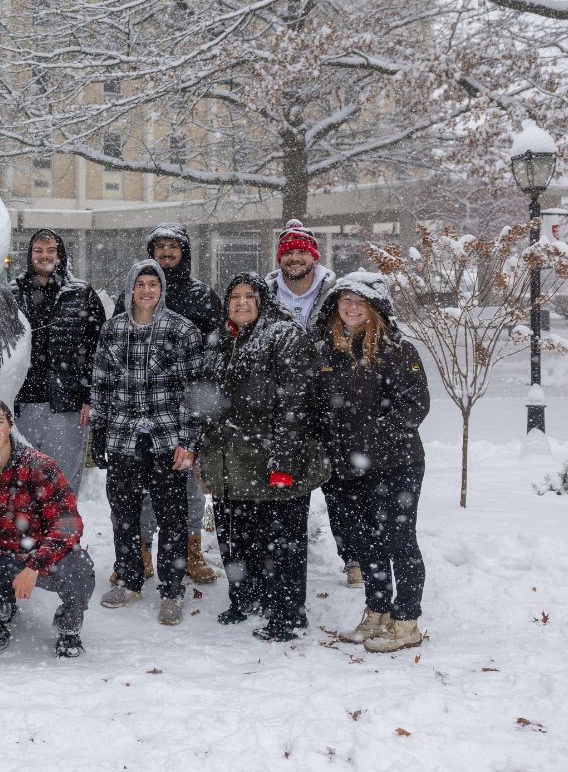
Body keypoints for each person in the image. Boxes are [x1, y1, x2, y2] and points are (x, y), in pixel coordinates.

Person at [195, 273, 330, 642]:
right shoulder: (220, 339)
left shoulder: (284, 336)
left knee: (281, 543)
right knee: (237, 536)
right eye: (234, 296)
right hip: (230, 463)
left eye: (248, 296)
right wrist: (204, 458)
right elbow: (205, 403)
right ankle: (246, 598)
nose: (241, 303)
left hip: (273, 462)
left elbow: (296, 405)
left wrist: (283, 464)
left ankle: (287, 613)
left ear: (263, 300)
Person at [312, 273, 430, 652]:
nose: (351, 307)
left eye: (360, 302)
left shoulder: (397, 349)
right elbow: (318, 407)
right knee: (367, 544)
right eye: (345, 300)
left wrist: (369, 442)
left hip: (396, 465)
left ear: (375, 308)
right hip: (348, 469)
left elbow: (414, 407)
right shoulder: (328, 350)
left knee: (398, 540)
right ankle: (378, 612)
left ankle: (407, 620)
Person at [91, 260, 203, 626]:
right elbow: (102, 384)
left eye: (153, 284)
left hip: (166, 437)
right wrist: (99, 434)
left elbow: (193, 392)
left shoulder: (181, 330)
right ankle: (128, 579)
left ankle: (171, 590)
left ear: (162, 289)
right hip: (124, 437)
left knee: (172, 517)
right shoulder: (113, 330)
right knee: (124, 516)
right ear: (131, 288)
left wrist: (188, 441)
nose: (147, 291)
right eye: (140, 284)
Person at [0, 397, 95, 658]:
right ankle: (1, 614)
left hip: (40, 555)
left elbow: (66, 523)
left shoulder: (38, 466)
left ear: (10, 425)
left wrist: (35, 566)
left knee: (80, 569)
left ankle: (69, 627)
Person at [113, 223, 222, 584]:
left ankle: (190, 550)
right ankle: (141, 551)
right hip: (142, 409)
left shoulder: (202, 296)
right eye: (159, 246)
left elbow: (215, 351)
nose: (166, 252)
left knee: (188, 483)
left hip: (190, 404)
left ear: (184, 252)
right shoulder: (132, 293)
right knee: (142, 487)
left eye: (173, 246)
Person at [10, 229, 105, 492]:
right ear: (29, 255)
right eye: (38, 250)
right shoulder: (12, 294)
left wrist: (90, 397)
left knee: (62, 483)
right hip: (24, 403)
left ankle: (63, 533)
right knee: (25, 484)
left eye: (51, 250)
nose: (44, 256)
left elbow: (98, 349)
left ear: (60, 254)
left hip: (68, 405)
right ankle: (30, 533)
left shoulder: (81, 293)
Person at [266, 219, 336, 329]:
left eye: (302, 252)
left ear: (314, 258)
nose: (294, 258)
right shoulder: (264, 295)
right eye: (288, 253)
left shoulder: (335, 295)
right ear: (279, 259)